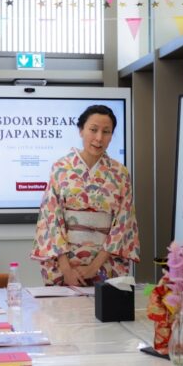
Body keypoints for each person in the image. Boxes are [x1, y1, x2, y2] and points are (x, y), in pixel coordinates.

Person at [32, 104, 140, 285]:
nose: (99, 138)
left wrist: (93, 267)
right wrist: (66, 269)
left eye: (106, 132)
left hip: (105, 264)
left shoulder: (120, 174)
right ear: (81, 130)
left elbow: (123, 224)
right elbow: (51, 219)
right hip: (64, 265)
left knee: (105, 311)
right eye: (93, 130)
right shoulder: (61, 168)